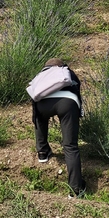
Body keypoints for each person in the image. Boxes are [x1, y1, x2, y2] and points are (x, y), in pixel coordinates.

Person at [30, 58, 85, 198]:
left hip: (42, 104)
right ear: (61, 66)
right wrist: (78, 113)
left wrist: (36, 114)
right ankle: (76, 190)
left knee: (40, 116)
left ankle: (42, 152)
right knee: (70, 145)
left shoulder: (40, 75)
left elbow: (34, 98)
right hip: (67, 101)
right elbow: (77, 89)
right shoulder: (66, 71)